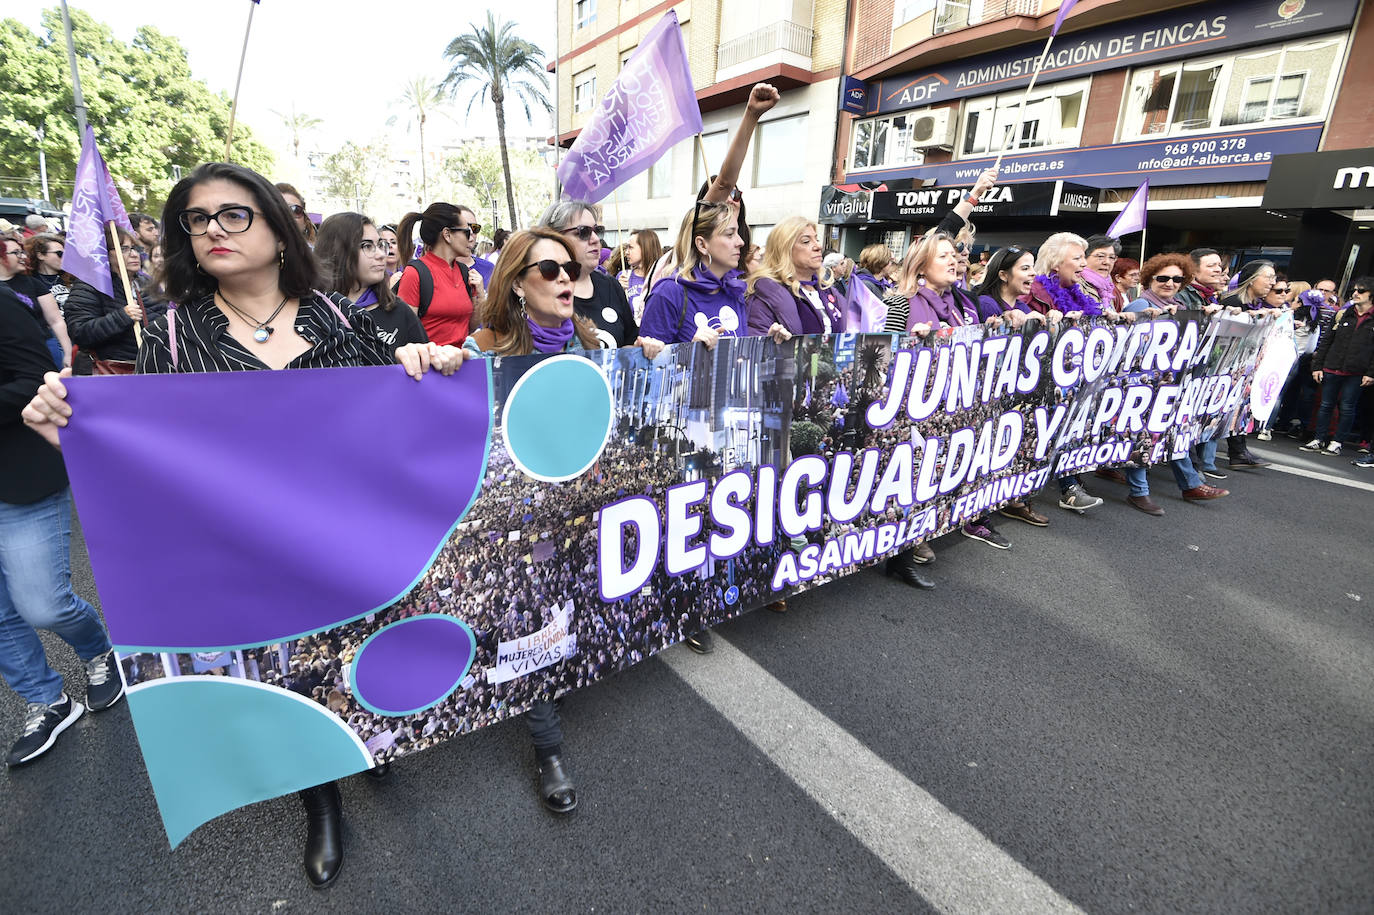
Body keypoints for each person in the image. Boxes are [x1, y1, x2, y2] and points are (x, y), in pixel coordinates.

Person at [24, 161, 466, 890]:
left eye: (233, 214)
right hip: (244, 547)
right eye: (196, 221)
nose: (212, 231)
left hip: (339, 531)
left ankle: (371, 742)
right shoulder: (168, 333)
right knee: (289, 668)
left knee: (352, 644)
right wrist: (69, 432)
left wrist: (420, 362)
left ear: (276, 225)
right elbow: (147, 461)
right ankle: (320, 796)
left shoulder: (333, 316)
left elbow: (385, 416)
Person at [463, 226, 597, 814]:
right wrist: (433, 364)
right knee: (533, 614)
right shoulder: (482, 350)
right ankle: (549, 750)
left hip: (581, 509)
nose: (565, 277)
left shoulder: (590, 342)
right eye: (548, 269)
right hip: (519, 519)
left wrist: (646, 360)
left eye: (568, 267)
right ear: (517, 283)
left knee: (569, 606)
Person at [0, 284, 124, 768]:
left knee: (43, 605)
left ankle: (99, 652)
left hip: (18, 476)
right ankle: (45, 700)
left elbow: (37, 377)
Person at [884, 228, 1007, 565]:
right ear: (921, 266)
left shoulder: (965, 303)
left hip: (958, 402)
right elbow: (883, 356)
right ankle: (909, 536)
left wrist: (998, 327)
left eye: (955, 256)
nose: (953, 261)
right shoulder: (900, 303)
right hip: (915, 407)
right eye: (943, 256)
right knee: (915, 471)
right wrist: (912, 341)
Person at [1111, 253, 1231, 511]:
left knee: (1174, 433)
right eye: (1163, 278)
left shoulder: (1179, 307)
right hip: (1140, 385)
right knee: (1141, 437)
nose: (1170, 283)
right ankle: (1139, 491)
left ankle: (1190, 485)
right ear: (1149, 278)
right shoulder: (1140, 305)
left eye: (1177, 279)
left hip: (1169, 383)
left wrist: (1206, 319)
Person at [1020, 232, 1106, 512]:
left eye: (1084, 258)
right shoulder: (1035, 291)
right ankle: (1055, 489)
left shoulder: (1080, 293)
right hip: (1040, 377)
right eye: (1078, 258)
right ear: (1056, 264)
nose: (1084, 264)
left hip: (1069, 376)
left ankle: (1069, 486)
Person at [974, 246, 1046, 527]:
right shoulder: (988, 304)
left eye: (1033, 268)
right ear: (1003, 275)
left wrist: (1050, 321)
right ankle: (978, 515)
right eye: (1025, 268)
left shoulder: (1024, 306)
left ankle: (1011, 500)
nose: (1032, 274)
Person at [538, 201, 640, 349]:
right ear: (554, 238)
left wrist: (643, 348)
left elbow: (629, 343)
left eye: (597, 230)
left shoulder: (611, 286)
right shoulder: (539, 292)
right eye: (583, 232)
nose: (595, 239)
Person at [316, 212, 428, 347]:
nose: (381, 255)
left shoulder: (399, 311)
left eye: (380, 245)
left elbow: (426, 360)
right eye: (367, 246)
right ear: (338, 251)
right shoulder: (310, 311)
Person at [64, 228, 159, 374]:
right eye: (124, 249)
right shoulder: (90, 285)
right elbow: (80, 333)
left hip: (150, 368)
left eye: (135, 248)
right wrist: (122, 316)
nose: (134, 254)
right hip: (113, 373)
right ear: (104, 253)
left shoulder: (146, 282)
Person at [1301, 278, 1374, 457]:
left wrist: (1371, 373)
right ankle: (1319, 438)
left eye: (1361, 291)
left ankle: (1337, 442)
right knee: (1326, 405)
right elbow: (1327, 340)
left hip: (1357, 371)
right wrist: (1318, 366)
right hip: (1333, 366)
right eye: (1354, 290)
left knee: (1348, 407)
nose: (1355, 293)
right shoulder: (1343, 313)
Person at [1217, 260, 1278, 469]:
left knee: (1240, 407)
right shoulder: (1234, 302)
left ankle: (1239, 451)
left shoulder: (1259, 306)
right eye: (1268, 277)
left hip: (1244, 367)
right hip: (1226, 366)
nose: (1273, 282)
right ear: (1251, 279)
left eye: (1274, 277)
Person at [394, 203, 482, 346]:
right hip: (430, 364)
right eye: (466, 232)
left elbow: (470, 327)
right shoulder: (415, 273)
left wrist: (480, 297)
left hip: (463, 361)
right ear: (447, 234)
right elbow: (405, 332)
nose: (471, 238)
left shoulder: (465, 272)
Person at [745, 218, 842, 337]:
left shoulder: (828, 290)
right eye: (806, 241)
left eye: (816, 239)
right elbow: (756, 343)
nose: (818, 246)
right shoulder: (766, 294)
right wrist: (769, 341)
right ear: (784, 250)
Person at [1, 236, 71, 368]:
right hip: (8, 354)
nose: (22, 256)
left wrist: (67, 352)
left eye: (22, 252)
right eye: (16, 253)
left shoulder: (33, 284)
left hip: (43, 347)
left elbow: (55, 321)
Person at [618, 229, 663, 324]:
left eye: (630, 247)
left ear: (645, 248)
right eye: (626, 248)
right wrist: (617, 290)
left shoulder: (662, 279)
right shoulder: (623, 276)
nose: (626, 252)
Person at [1080, 234, 1127, 312]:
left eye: (1112, 257)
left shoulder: (1108, 287)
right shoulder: (1074, 283)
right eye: (1100, 256)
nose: (1107, 262)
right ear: (1084, 257)